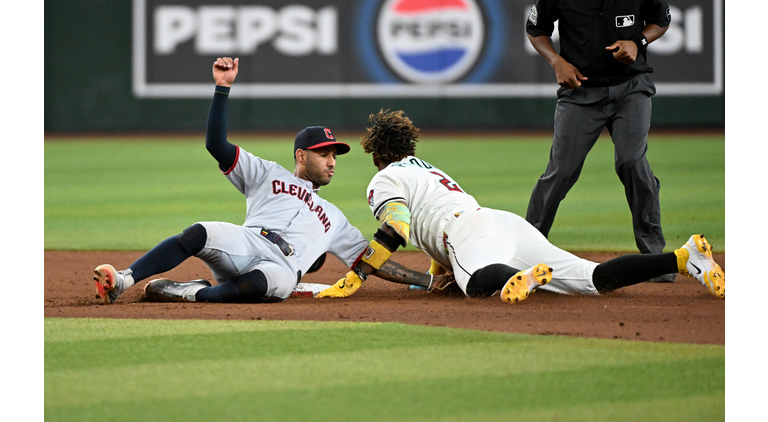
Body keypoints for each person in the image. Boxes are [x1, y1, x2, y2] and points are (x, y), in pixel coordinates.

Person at [93, 57, 449, 304]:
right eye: (323, 154)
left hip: (281, 269)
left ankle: (185, 292)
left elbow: (371, 259)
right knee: (197, 233)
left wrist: (428, 280)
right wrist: (222, 88)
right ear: (301, 156)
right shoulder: (267, 173)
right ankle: (123, 280)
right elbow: (216, 144)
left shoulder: (335, 218)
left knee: (259, 285)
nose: (331, 162)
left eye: (334, 155)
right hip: (248, 242)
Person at [314, 109, 724, 302]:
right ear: (410, 147)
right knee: (592, 278)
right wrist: (436, 272)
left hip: (467, 233)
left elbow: (398, 226)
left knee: (476, 285)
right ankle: (682, 257)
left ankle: (521, 277)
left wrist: (358, 275)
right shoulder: (429, 170)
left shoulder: (383, 179)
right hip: (500, 223)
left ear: (376, 154)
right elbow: (432, 226)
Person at [524, 0, 675, 282]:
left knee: (631, 161)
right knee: (561, 171)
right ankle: (525, 250)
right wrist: (556, 61)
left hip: (631, 88)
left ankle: (655, 257)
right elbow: (535, 28)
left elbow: (661, 20)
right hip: (580, 91)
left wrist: (639, 41)